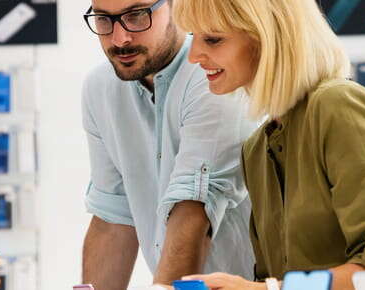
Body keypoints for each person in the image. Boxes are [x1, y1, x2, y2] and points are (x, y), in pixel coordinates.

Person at [171, 0, 365, 289]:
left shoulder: (338, 108)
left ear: (269, 36)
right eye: (193, 37)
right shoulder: (257, 150)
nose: (194, 56)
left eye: (213, 39)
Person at [80, 0, 258, 288]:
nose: (119, 38)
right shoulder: (100, 87)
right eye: (103, 19)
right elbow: (112, 217)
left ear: (177, 6)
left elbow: (193, 214)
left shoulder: (213, 75)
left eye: (137, 16)